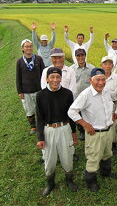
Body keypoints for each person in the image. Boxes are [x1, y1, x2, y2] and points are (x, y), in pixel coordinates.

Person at [68, 68, 117, 192]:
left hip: (108, 131)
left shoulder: (106, 91)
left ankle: (105, 172)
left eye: (103, 79)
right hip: (95, 133)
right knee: (93, 158)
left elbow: (108, 106)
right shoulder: (86, 95)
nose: (101, 82)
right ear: (91, 80)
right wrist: (85, 124)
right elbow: (72, 111)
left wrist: (110, 118)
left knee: (107, 154)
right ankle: (91, 182)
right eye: (97, 80)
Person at [36, 67, 78, 196]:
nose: (55, 80)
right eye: (52, 77)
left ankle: (69, 179)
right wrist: (40, 138)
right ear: (47, 79)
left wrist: (74, 133)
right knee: (49, 159)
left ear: (61, 78)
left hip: (65, 129)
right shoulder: (40, 95)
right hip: (49, 130)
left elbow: (71, 115)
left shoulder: (67, 93)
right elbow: (39, 118)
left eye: (58, 77)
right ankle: (50, 182)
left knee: (67, 157)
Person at [40, 48, 78, 161]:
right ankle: (50, 154)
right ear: (51, 59)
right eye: (55, 57)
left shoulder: (70, 70)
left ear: (63, 57)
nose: (58, 60)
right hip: (50, 104)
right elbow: (43, 87)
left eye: (60, 57)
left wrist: (64, 99)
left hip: (67, 104)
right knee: (49, 128)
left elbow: (73, 89)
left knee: (68, 127)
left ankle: (71, 152)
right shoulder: (45, 71)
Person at [16, 39, 45, 135]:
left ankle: (43, 125)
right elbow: (18, 77)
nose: (29, 48)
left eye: (30, 46)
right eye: (26, 46)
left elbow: (44, 74)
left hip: (39, 89)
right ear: (22, 48)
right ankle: (33, 127)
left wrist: (45, 87)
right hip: (26, 91)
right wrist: (20, 91)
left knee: (41, 108)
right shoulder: (19, 61)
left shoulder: (38, 59)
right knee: (29, 110)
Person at [70, 48, 95, 141]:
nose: (80, 57)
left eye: (82, 55)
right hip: (76, 97)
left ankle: (91, 127)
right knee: (78, 114)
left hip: (89, 97)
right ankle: (81, 131)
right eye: (78, 55)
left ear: (85, 56)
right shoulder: (71, 69)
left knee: (89, 113)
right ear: (76, 57)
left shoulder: (91, 68)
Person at [101, 56, 117, 154]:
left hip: (112, 106)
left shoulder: (116, 78)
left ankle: (113, 145)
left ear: (112, 66)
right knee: (102, 126)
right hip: (100, 106)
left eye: (110, 64)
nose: (107, 66)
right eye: (105, 64)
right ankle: (103, 145)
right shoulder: (98, 78)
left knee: (112, 127)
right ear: (101, 65)